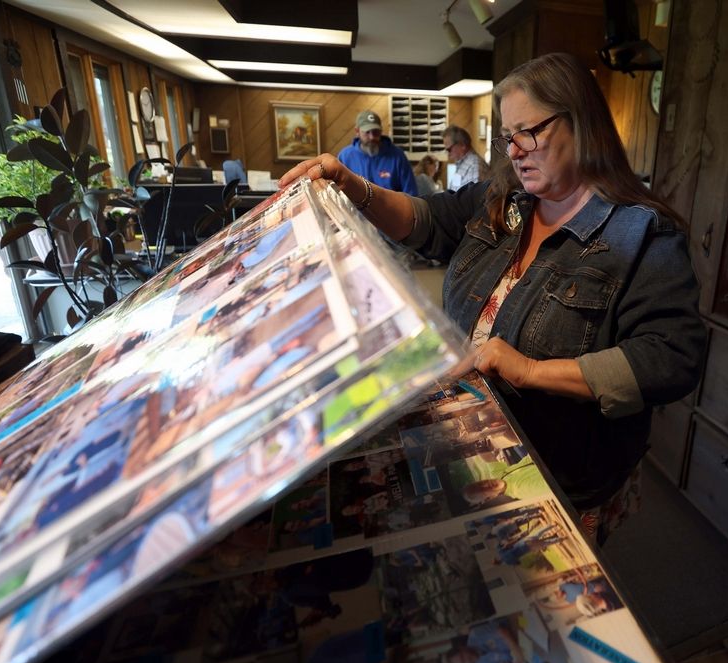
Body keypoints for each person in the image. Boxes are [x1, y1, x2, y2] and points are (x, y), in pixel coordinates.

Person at [279, 52, 705, 543]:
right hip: (466, 451)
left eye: (530, 132)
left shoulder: (644, 235)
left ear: (581, 123)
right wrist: (350, 185)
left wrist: (529, 370)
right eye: (507, 138)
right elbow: (427, 220)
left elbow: (672, 357)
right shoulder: (503, 199)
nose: (515, 151)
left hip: (559, 478)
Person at [338, 109, 417, 196]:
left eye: (376, 132)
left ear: (381, 131)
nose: (372, 137)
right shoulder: (345, 157)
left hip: (390, 208)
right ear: (357, 131)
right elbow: (338, 192)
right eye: (367, 132)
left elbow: (411, 192)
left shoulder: (398, 156)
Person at [443, 124, 489, 190]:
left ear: (462, 145)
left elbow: (473, 198)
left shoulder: (474, 166)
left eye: (449, 149)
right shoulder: (462, 163)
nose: (448, 154)